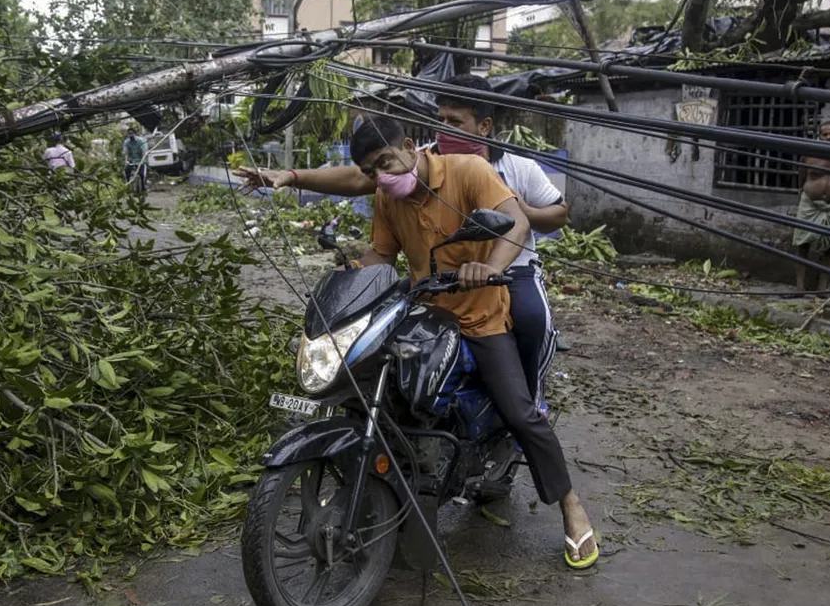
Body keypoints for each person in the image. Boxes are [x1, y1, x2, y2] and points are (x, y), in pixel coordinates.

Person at [296, 114, 599, 568]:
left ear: (412, 144)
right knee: (379, 387)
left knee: (520, 411)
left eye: (385, 162)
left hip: (480, 314)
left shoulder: (468, 171)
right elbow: (383, 255)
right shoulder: (386, 197)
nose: (382, 177)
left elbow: (515, 222)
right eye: (371, 172)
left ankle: (572, 508)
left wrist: (490, 264)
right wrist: (352, 271)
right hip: (425, 313)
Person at [235, 73, 569, 409]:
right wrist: (291, 177)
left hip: (508, 267)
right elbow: (358, 180)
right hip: (438, 269)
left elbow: (556, 214)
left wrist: (516, 208)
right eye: (440, 120)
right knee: (387, 316)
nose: (444, 128)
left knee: (530, 318)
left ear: (483, 126)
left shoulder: (514, 166)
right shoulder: (419, 161)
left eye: (456, 121)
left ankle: (530, 396)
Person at [794, 120, 830, 292]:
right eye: (824, 134)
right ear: (820, 136)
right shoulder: (810, 153)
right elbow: (801, 175)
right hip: (809, 204)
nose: (828, 138)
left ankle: (822, 288)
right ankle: (799, 287)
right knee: (802, 243)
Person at [122, 125, 148, 192]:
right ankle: (128, 185)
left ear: (135, 134)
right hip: (131, 160)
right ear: (127, 135)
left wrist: (143, 160)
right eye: (129, 134)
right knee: (127, 171)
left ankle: (143, 186)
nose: (130, 135)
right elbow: (126, 153)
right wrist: (126, 161)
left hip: (140, 160)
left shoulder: (141, 141)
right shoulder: (126, 142)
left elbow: (144, 151)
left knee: (142, 174)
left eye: (132, 133)